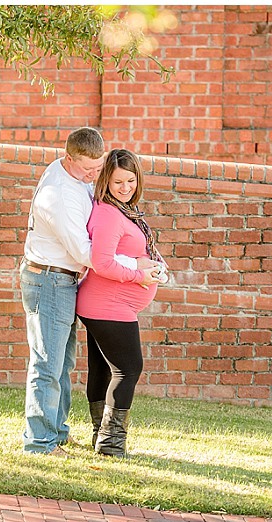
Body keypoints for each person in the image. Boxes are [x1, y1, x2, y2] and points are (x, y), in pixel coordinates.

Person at [20, 128, 154, 456]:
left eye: (98, 170)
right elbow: (90, 255)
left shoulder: (71, 174)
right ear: (69, 158)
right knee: (47, 364)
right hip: (49, 279)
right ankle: (40, 443)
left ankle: (58, 432)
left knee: (62, 364)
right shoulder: (60, 197)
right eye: (87, 170)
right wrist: (136, 268)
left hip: (63, 280)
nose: (93, 176)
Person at [76, 148, 166, 458]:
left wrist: (154, 267)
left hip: (107, 303)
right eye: (117, 182)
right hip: (106, 304)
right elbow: (101, 262)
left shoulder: (124, 210)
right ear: (105, 182)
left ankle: (100, 438)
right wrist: (138, 275)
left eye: (130, 180)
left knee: (102, 368)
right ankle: (111, 445)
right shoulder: (108, 214)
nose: (125, 188)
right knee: (129, 368)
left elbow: (132, 253)